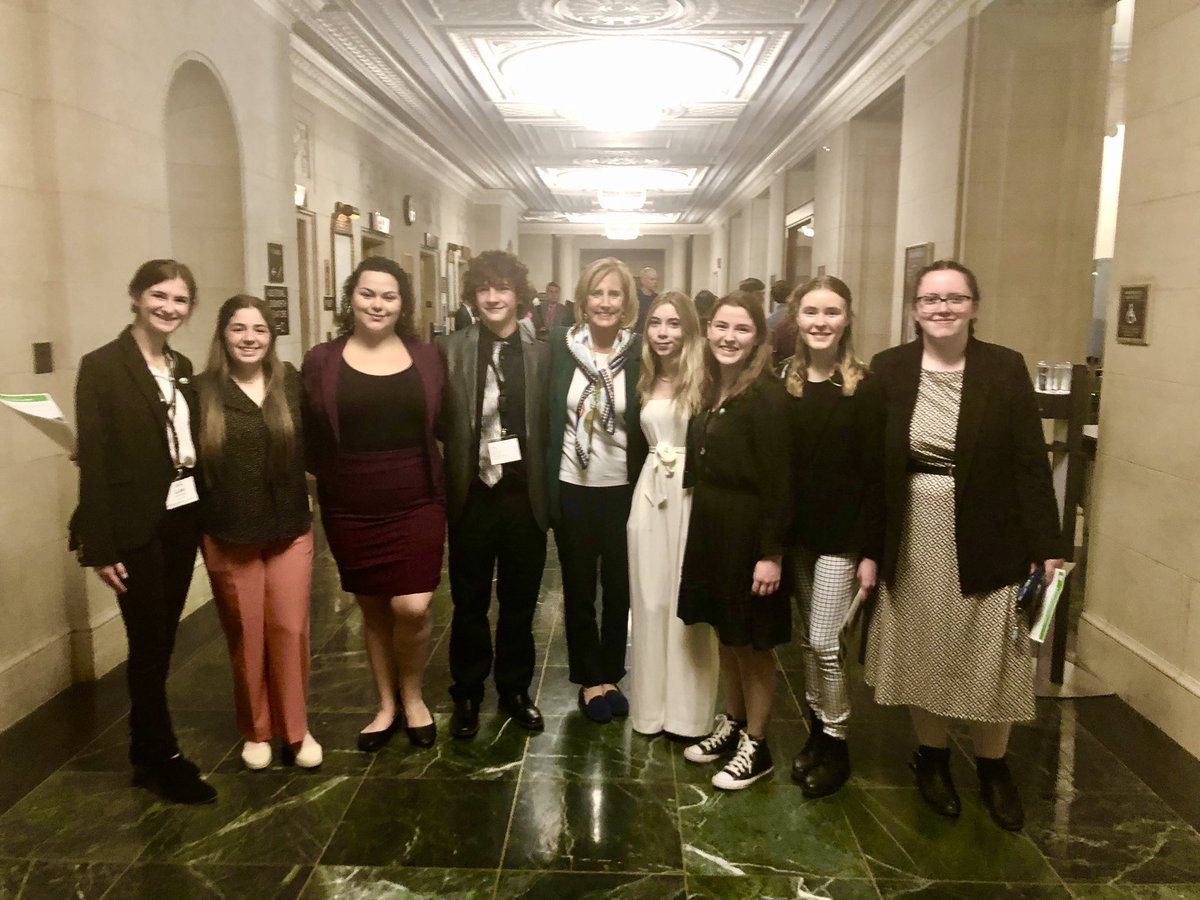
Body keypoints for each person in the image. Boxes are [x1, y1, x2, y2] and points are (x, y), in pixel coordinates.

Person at [863, 259, 1063, 831]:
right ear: (914, 309)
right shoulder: (890, 368)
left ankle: (993, 767)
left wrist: (1046, 543)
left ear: (975, 306)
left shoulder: (1004, 368)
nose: (942, 309)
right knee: (923, 645)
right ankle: (931, 758)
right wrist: (870, 548)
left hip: (989, 528)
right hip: (913, 528)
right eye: (930, 299)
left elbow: (1030, 459)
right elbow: (874, 467)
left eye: (954, 298)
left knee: (989, 652)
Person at [70, 259, 216, 804]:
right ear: (135, 296)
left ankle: (144, 748)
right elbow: (97, 462)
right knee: (148, 642)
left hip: (181, 517)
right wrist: (99, 547)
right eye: (159, 295)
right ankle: (162, 756)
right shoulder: (102, 366)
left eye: (180, 300)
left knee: (160, 638)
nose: (169, 308)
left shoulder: (180, 365)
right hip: (135, 525)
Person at [301, 256, 446, 751]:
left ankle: (414, 694)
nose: (377, 304)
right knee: (373, 608)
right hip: (350, 504)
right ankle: (387, 705)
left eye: (388, 295)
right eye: (367, 294)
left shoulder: (426, 357)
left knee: (412, 606)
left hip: (417, 498)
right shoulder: (321, 359)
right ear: (350, 298)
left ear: (402, 303)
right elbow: (308, 433)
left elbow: (447, 424)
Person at [197, 295, 320, 771]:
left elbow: (325, 436)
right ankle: (256, 729)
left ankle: (296, 728)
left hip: (289, 529)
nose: (249, 338)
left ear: (271, 337)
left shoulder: (290, 384)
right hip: (230, 535)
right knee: (246, 636)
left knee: (289, 629)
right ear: (223, 335)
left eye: (259, 330)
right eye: (238, 329)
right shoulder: (200, 390)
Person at [678, 290, 791, 790]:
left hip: (749, 531)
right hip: (714, 523)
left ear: (759, 338)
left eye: (742, 329)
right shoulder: (710, 387)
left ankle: (758, 744)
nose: (729, 337)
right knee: (727, 632)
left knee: (753, 641)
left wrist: (771, 554)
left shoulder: (766, 397)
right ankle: (733, 722)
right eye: (721, 327)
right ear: (708, 331)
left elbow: (780, 482)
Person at [438, 251, 550, 739]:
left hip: (525, 497)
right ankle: (466, 692)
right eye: (484, 288)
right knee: (468, 603)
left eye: (502, 287)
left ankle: (514, 690)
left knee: (520, 603)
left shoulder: (543, 353)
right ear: (472, 296)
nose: (492, 297)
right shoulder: (451, 349)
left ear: (518, 295)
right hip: (472, 495)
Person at [781, 276, 882, 798]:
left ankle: (838, 741)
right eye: (811, 311)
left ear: (847, 319)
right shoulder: (787, 382)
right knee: (807, 640)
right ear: (796, 318)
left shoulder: (865, 387)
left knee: (826, 642)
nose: (821, 322)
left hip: (842, 539)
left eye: (832, 312)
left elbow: (876, 476)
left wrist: (871, 552)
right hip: (798, 535)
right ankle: (817, 732)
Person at [547, 257, 648, 723]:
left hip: (625, 489)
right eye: (597, 293)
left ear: (626, 302)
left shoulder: (642, 354)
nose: (605, 303)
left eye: (615, 294)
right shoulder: (560, 349)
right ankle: (589, 679)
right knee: (580, 586)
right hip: (574, 484)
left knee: (620, 587)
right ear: (582, 300)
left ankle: (612, 673)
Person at [627, 291, 719, 738]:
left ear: (689, 328)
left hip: (692, 491)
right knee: (649, 597)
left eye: (673, 323)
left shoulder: (707, 379)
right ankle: (650, 708)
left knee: (687, 604)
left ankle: (688, 714)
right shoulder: (644, 377)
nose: (664, 333)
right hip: (650, 491)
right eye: (656, 324)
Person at [635, 266, 659, 332]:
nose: (655, 282)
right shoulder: (635, 298)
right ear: (643, 281)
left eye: (656, 279)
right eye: (652, 279)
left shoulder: (658, 299)